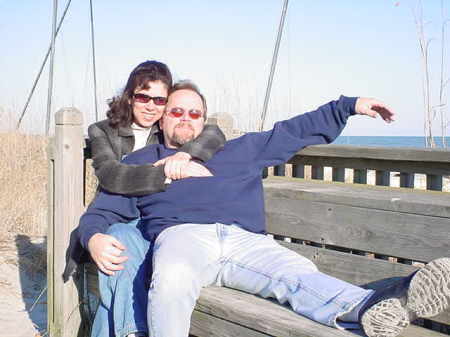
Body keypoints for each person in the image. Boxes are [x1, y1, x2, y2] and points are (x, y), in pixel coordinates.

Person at [77, 81, 450, 337]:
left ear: (204, 119)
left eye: (194, 113)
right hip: (183, 237)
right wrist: (93, 237)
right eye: (177, 112)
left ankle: (380, 304)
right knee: (171, 278)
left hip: (246, 242)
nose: (186, 119)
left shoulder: (238, 150)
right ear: (164, 117)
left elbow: (291, 132)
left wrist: (347, 106)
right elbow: (104, 208)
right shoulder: (142, 162)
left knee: (296, 275)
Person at [63, 61, 226, 337]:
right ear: (130, 96)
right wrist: (167, 173)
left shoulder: (166, 128)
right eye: (143, 96)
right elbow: (111, 175)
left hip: (150, 219)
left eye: (160, 100)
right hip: (115, 214)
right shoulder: (103, 130)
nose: (151, 106)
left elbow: (214, 132)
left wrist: (184, 156)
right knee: (119, 240)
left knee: (111, 294)